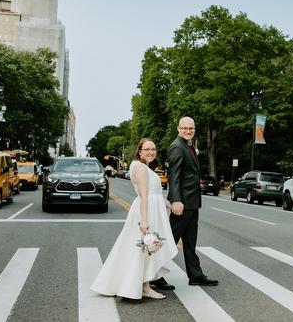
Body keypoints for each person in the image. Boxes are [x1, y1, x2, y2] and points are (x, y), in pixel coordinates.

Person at [91, 138, 177, 300]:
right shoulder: (141, 168)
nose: (151, 152)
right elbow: (144, 196)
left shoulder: (141, 166)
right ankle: (144, 287)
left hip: (151, 209)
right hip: (147, 212)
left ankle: (138, 284)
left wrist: (170, 205)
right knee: (145, 249)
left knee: (141, 248)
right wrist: (144, 221)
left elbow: (155, 195)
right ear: (139, 151)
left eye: (153, 149)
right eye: (147, 149)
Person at [151, 116, 219, 290]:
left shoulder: (189, 146)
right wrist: (176, 201)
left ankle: (195, 275)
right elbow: (174, 176)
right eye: (184, 128)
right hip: (182, 204)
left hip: (192, 203)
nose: (188, 131)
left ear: (194, 129)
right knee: (169, 241)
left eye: (191, 128)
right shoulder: (177, 147)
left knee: (190, 241)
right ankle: (154, 275)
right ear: (178, 128)